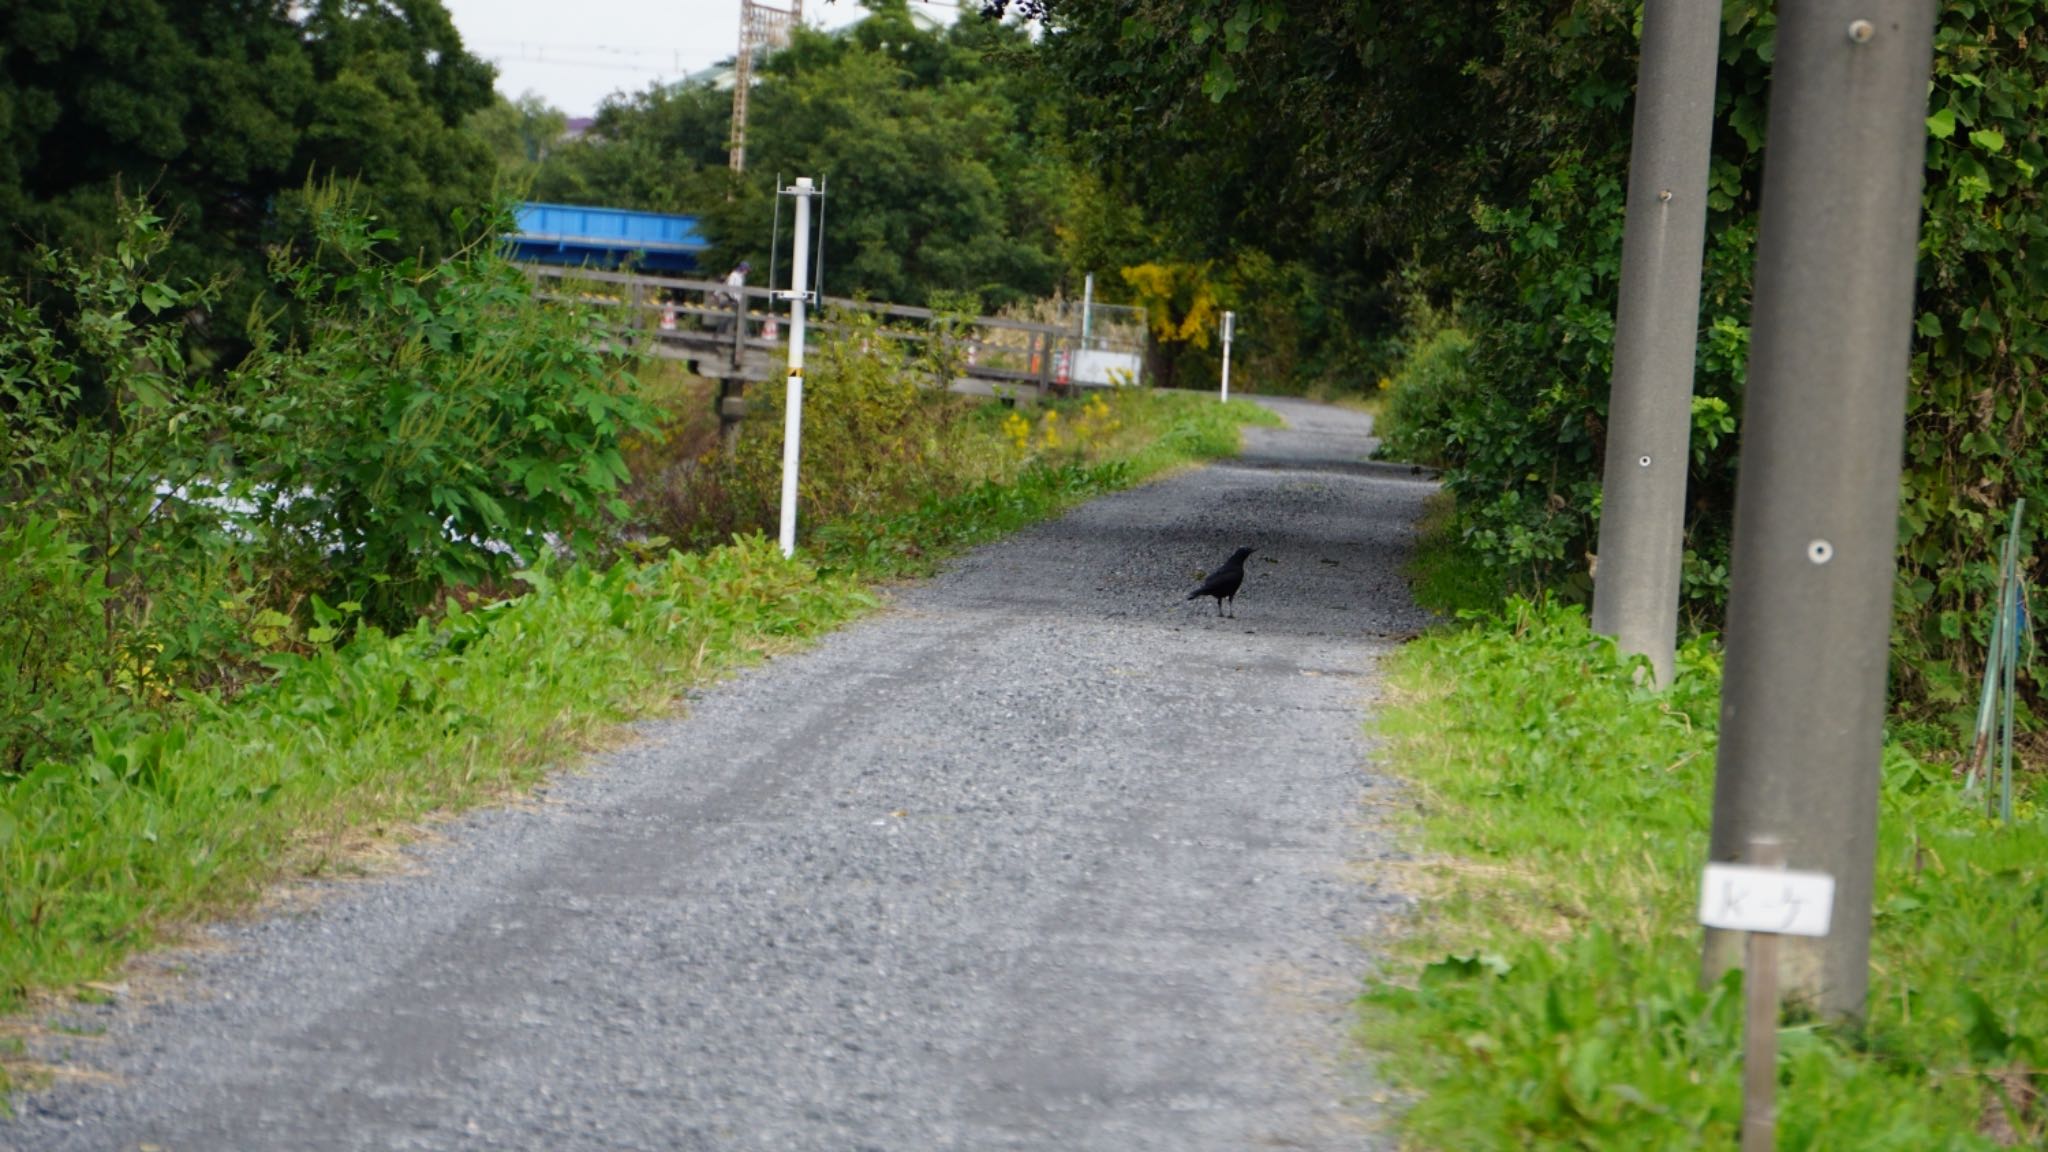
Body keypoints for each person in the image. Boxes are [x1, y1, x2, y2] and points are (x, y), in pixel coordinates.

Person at [711, 260, 751, 333]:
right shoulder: (734, 276)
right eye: (746, 270)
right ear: (742, 269)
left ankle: (720, 333)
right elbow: (730, 288)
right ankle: (720, 333)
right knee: (733, 317)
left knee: (734, 317)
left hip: (736, 300)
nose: (747, 272)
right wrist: (737, 299)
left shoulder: (742, 277)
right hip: (732, 299)